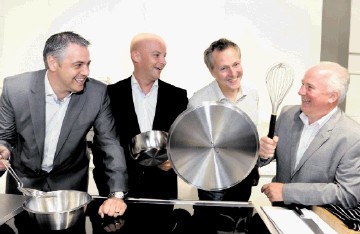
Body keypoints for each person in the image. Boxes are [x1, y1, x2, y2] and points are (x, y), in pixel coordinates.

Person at [0, 31, 128, 219]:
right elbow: (5, 137)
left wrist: (116, 195)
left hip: (70, 195)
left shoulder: (96, 93)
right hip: (24, 190)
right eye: (78, 65)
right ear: (53, 63)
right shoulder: (15, 89)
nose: (86, 72)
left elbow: (110, 143)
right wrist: (3, 149)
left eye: (87, 64)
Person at [92, 32, 188, 233]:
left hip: (162, 200)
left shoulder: (178, 96)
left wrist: (174, 161)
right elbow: (102, 147)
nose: (163, 61)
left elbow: (185, 144)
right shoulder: (110, 95)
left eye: (164, 55)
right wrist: (111, 193)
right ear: (136, 56)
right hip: (116, 199)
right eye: (157, 55)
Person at [259, 61, 360, 209]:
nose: (300, 91)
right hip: (278, 214)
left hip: (317, 224)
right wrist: (262, 154)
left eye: (309, 87)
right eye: (302, 84)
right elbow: (265, 157)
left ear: (332, 96)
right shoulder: (287, 115)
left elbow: (348, 194)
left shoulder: (353, 136)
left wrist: (287, 192)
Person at [188, 38, 259, 232]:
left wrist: (263, 151)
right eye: (224, 68)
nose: (233, 73)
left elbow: (252, 146)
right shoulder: (198, 102)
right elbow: (193, 155)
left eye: (236, 64)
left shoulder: (253, 96)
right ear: (211, 71)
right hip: (214, 188)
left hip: (244, 183)